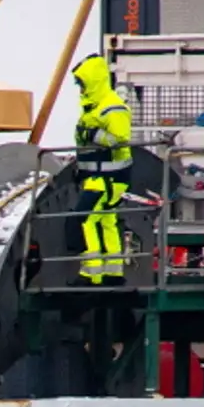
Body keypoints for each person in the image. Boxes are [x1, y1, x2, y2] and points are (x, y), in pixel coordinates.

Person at [72, 53, 134, 283]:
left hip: (109, 176)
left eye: (82, 83)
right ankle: (113, 273)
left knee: (87, 219)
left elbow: (120, 140)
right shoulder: (94, 107)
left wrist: (93, 134)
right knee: (107, 220)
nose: (79, 88)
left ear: (93, 81)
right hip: (97, 174)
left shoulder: (113, 108)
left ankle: (92, 275)